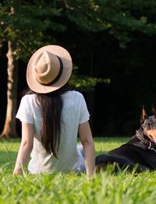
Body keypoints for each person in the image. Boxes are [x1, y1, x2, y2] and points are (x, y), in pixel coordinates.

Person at [13, 45, 95, 176]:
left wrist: (17, 172)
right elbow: (87, 141)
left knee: (79, 148)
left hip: (38, 171)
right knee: (81, 148)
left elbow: (27, 143)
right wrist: (91, 176)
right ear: (62, 73)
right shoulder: (77, 98)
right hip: (74, 170)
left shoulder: (28, 101)